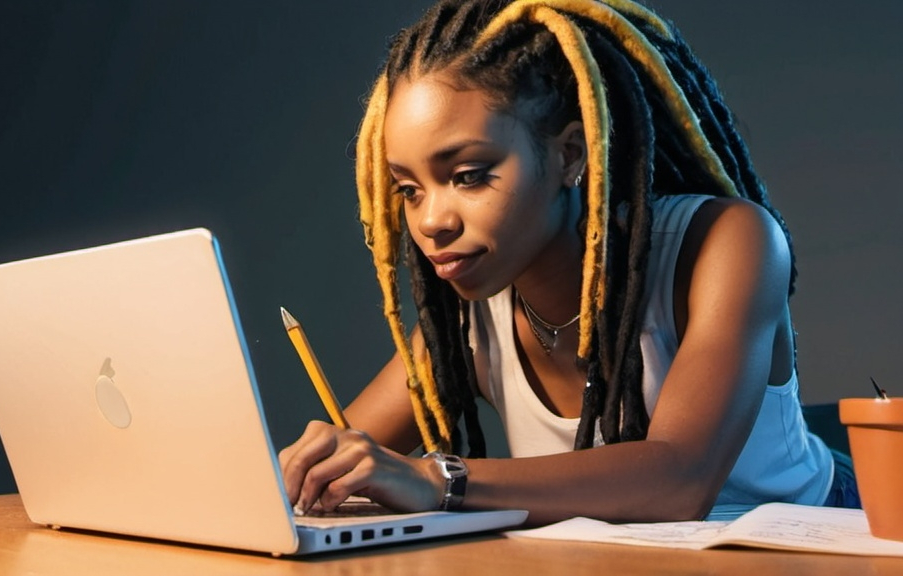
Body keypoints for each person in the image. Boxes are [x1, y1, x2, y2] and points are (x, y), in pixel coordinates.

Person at [279, 0, 860, 526]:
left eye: (468, 176)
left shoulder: (727, 242)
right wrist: (309, 470)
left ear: (570, 155)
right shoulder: (471, 319)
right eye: (410, 189)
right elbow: (340, 459)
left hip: (821, 543)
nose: (432, 221)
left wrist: (437, 480)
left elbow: (679, 482)